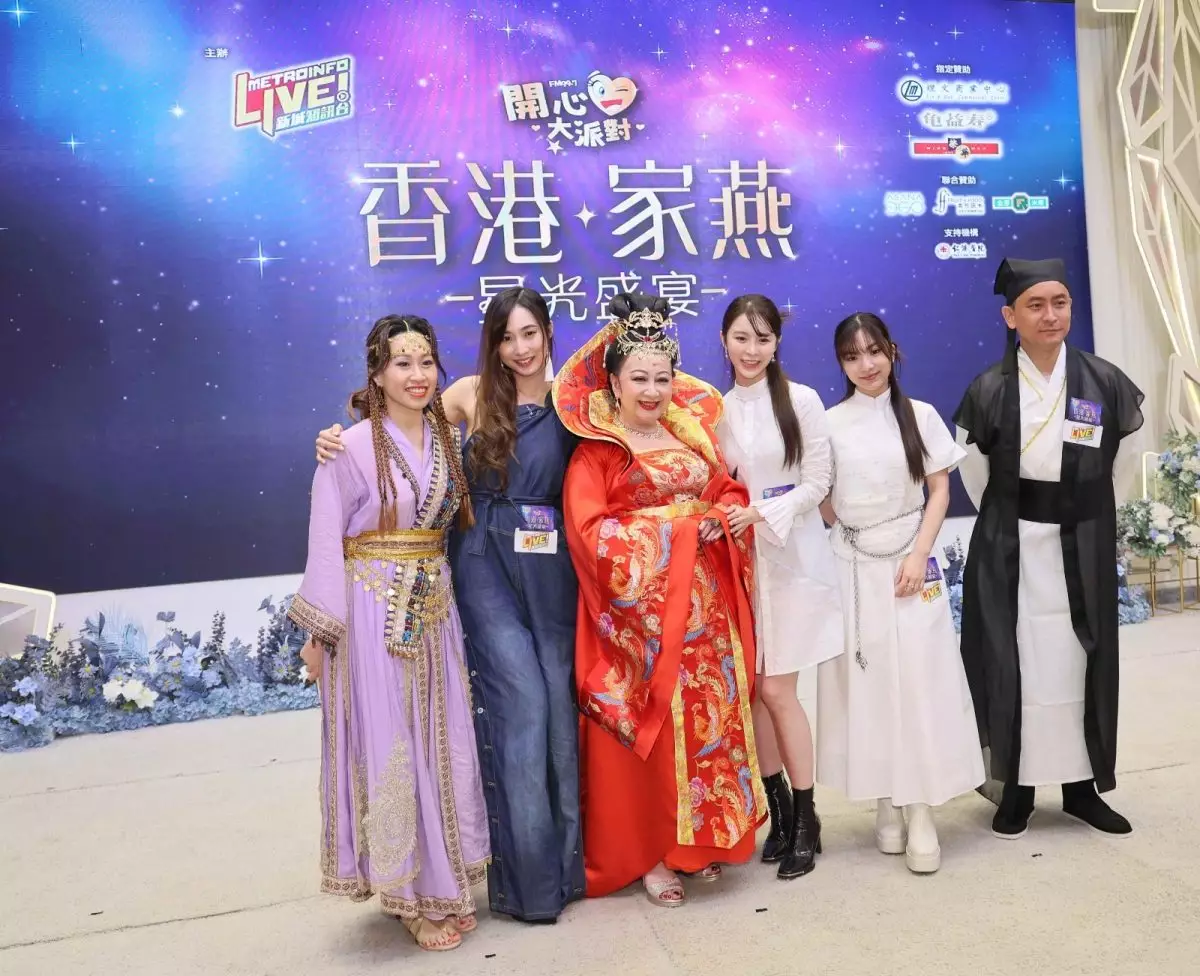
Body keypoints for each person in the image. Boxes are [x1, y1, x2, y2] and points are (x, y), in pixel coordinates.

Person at [315, 288, 584, 924]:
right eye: (505, 337)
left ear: (549, 334)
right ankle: (512, 887)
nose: (519, 348)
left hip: (546, 567)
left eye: (530, 333)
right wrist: (335, 437)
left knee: (552, 716)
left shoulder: (578, 402)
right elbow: (394, 426)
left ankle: (560, 873)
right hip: (476, 564)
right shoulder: (465, 395)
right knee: (517, 705)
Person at [556, 292, 766, 907]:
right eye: (639, 378)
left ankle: (695, 843)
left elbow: (726, 489)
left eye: (662, 378)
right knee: (654, 729)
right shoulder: (599, 451)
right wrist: (678, 532)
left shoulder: (688, 435)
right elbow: (589, 533)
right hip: (638, 620)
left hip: (706, 609)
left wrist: (722, 514)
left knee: (707, 723)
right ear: (614, 383)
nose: (652, 391)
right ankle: (650, 855)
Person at [290, 314, 490, 952]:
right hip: (372, 613)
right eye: (401, 363)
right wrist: (320, 635)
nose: (417, 375)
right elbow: (327, 540)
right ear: (376, 374)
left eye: (426, 361)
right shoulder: (347, 447)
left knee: (442, 739)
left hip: (434, 607)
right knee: (394, 746)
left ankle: (444, 883)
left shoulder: (445, 437)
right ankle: (407, 895)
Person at [953, 257, 1144, 839]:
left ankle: (1082, 788)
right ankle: (1017, 788)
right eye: (1035, 305)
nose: (1050, 315)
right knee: (1016, 661)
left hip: (1082, 538)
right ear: (1010, 317)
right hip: (1011, 543)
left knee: (1079, 660)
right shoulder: (989, 388)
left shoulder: (1103, 380)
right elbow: (975, 474)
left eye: (1060, 302)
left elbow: (1124, 462)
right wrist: (1018, 513)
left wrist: (1087, 512)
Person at [816, 312, 984, 875]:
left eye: (874, 351)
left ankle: (920, 811)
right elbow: (821, 497)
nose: (866, 365)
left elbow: (941, 491)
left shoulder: (921, 415)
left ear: (892, 351)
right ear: (841, 364)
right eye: (852, 356)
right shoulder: (828, 423)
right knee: (868, 684)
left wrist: (916, 554)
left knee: (918, 683)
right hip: (853, 570)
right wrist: (854, 537)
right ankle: (885, 799)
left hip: (914, 567)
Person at [716, 294, 843, 880]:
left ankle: (808, 818)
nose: (752, 350)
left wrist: (763, 513)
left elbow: (818, 482)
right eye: (742, 338)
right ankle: (781, 812)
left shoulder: (802, 400)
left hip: (792, 560)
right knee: (754, 692)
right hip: (740, 566)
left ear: (777, 344)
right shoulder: (713, 409)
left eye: (763, 339)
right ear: (724, 341)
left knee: (777, 689)